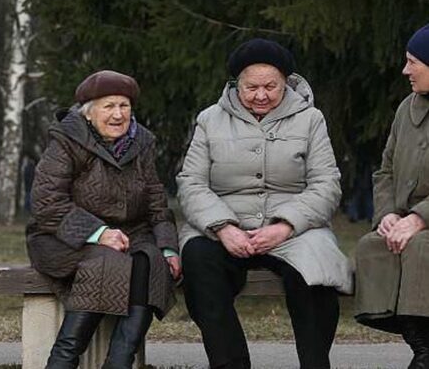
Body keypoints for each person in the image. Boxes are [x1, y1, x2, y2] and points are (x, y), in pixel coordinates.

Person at [177, 38, 352, 369]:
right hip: (225, 226)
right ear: (235, 86)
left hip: (295, 228)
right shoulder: (209, 119)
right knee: (199, 260)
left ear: (286, 83)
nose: (261, 95)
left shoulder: (310, 119)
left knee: (315, 273)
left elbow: (326, 184)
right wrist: (223, 227)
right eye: (251, 87)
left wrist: (285, 226)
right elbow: (192, 183)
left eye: (271, 86)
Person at [26, 70, 181, 369]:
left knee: (151, 262)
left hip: (129, 234)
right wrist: (98, 233)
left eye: (124, 106)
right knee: (106, 261)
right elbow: (47, 203)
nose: (118, 114)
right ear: (88, 112)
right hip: (61, 236)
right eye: (108, 106)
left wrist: (168, 247)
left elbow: (156, 201)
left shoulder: (142, 143)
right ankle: (61, 362)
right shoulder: (66, 141)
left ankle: (119, 363)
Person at [354, 25, 429, 369]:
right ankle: (422, 348)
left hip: (423, 224)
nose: (405, 70)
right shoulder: (405, 109)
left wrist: (419, 217)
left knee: (420, 248)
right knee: (373, 245)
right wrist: (388, 214)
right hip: (406, 220)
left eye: (413, 62)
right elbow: (385, 170)